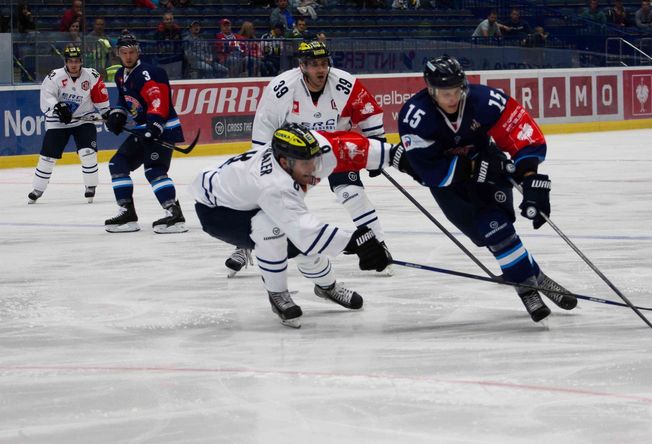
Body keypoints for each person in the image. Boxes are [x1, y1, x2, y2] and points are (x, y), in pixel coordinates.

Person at [394, 55, 577, 323]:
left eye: (456, 90)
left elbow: (522, 134)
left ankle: (527, 290)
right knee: (490, 237)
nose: (452, 98)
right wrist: (478, 169)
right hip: (450, 187)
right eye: (445, 92)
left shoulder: (485, 100)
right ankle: (537, 278)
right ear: (431, 90)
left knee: (499, 230)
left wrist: (530, 178)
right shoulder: (415, 116)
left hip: (490, 168)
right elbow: (431, 171)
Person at [190, 123, 393, 327]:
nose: (313, 167)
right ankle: (277, 294)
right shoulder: (272, 184)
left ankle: (327, 287)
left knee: (296, 243)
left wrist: (394, 154)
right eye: (306, 163)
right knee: (272, 231)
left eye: (313, 159)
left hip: (242, 197)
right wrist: (354, 243)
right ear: (284, 162)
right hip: (218, 213)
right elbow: (307, 233)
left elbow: (342, 146)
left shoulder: (304, 151)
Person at [226, 40, 390, 278]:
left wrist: (378, 145)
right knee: (266, 197)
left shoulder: (344, 83)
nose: (320, 69)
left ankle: (380, 244)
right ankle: (244, 244)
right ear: (302, 66)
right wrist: (258, 166)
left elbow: (369, 112)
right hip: (294, 153)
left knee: (352, 194)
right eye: (314, 65)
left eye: (324, 63)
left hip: (334, 146)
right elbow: (264, 126)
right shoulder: (281, 88)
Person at [103, 33, 188, 234]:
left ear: (138, 52)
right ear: (118, 53)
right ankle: (128, 214)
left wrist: (156, 126)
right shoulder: (120, 75)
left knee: (154, 170)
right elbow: (124, 101)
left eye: (132, 52)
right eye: (124, 53)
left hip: (163, 128)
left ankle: (174, 214)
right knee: (118, 164)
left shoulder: (148, 73)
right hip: (144, 129)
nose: (128, 56)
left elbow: (158, 100)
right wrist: (117, 115)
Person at [28, 45, 110, 204]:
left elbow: (100, 97)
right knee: (47, 157)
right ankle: (37, 189)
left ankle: (90, 186)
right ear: (65, 61)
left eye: (77, 61)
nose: (74, 64)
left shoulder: (91, 75)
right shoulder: (54, 77)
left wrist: (107, 113)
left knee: (88, 152)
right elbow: (47, 97)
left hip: (83, 119)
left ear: (81, 61)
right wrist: (58, 108)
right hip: (58, 122)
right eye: (70, 61)